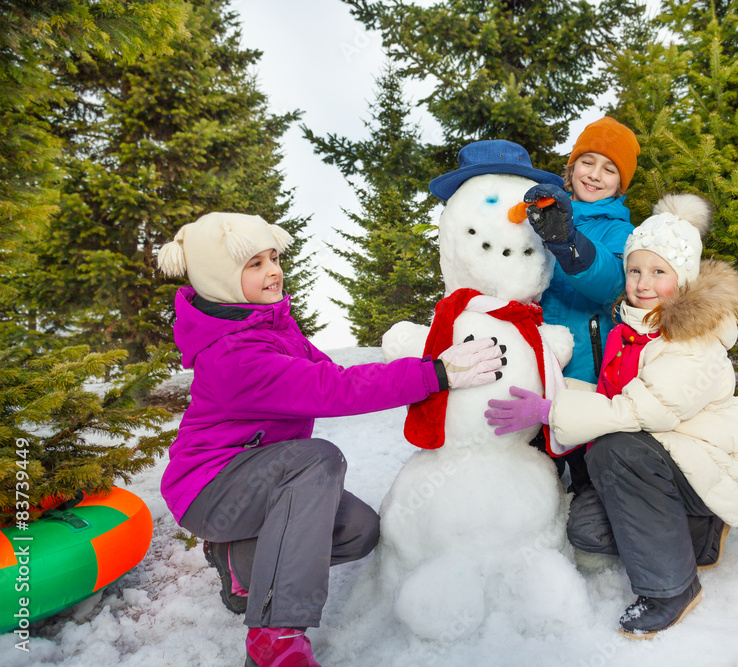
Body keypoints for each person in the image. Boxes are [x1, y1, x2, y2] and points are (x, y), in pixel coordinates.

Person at [156, 212, 505, 667]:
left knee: (358, 530)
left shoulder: (271, 324)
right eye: (254, 264)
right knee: (316, 460)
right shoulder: (232, 355)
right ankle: (275, 638)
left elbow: (333, 373)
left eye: (274, 258)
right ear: (220, 279)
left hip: (262, 480)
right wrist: (436, 373)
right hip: (210, 487)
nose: (273, 271)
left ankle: (239, 562)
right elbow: (332, 390)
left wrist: (429, 366)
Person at [485, 194, 738, 638]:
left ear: (685, 279)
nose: (643, 282)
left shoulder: (693, 340)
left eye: (658, 272)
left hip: (708, 466)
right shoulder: (628, 330)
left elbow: (638, 410)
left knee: (615, 451)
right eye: (635, 270)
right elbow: (609, 394)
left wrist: (550, 410)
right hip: (671, 465)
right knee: (589, 531)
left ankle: (671, 589)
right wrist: (547, 390)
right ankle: (698, 536)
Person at [518, 116, 641, 491]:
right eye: (588, 162)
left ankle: (590, 519)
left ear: (620, 184)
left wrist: (568, 242)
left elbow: (613, 284)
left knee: (584, 464)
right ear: (571, 168)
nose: (595, 175)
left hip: (584, 371)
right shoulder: (543, 210)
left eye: (609, 169)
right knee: (533, 462)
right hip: (535, 361)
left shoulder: (620, 230)